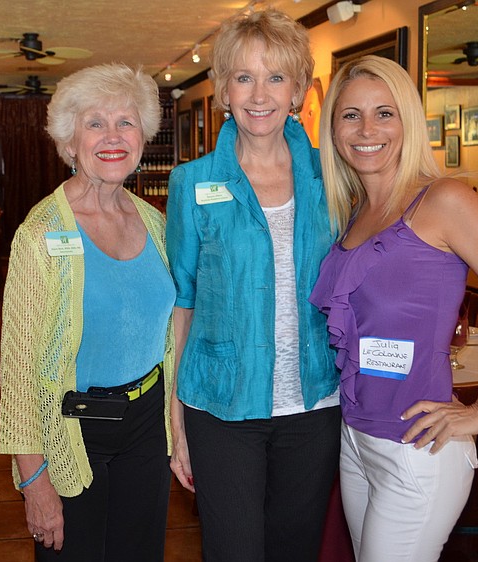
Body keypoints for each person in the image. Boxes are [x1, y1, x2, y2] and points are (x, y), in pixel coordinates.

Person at [309, 55, 478, 562]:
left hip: (418, 450)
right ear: (332, 128)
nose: (366, 129)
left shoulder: (444, 200)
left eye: (384, 113)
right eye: (350, 115)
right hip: (356, 439)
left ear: (408, 122)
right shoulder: (356, 211)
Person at [166, 8, 341, 561]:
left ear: (297, 89)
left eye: (275, 77)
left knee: (295, 550)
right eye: (243, 77)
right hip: (221, 408)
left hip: (314, 406)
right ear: (223, 89)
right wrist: (177, 425)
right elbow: (182, 305)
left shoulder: (331, 176)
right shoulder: (192, 183)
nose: (259, 93)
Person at [0, 63, 175, 562]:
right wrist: (34, 482)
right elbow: (19, 374)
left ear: (142, 137)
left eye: (126, 121)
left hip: (147, 424)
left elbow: (170, 335)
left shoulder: (155, 224)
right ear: (70, 142)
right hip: (74, 432)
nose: (113, 136)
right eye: (96, 123)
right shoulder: (40, 233)